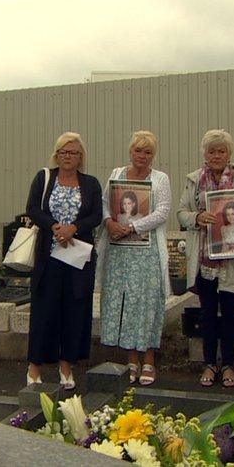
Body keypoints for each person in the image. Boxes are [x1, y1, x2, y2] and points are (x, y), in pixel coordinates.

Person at [177, 129, 234, 388]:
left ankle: (229, 365)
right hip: (204, 258)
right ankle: (209, 363)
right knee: (208, 313)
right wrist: (197, 218)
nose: (217, 155)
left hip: (232, 258)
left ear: (229, 153)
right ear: (205, 153)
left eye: (221, 150)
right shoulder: (193, 180)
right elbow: (181, 213)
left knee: (230, 313)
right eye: (212, 151)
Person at [25, 132, 103, 389]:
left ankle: (67, 365)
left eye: (74, 153)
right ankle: (35, 367)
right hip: (49, 257)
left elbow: (96, 216)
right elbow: (33, 209)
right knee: (44, 311)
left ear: (81, 158)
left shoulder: (90, 183)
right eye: (64, 152)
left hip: (78, 259)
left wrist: (75, 228)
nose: (68, 157)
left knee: (74, 311)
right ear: (57, 154)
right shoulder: (44, 178)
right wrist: (56, 226)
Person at [96, 131, 171, 386]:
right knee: (126, 304)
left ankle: (148, 359)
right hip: (119, 254)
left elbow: (162, 211)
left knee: (147, 303)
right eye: (138, 151)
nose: (143, 156)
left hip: (146, 252)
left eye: (148, 152)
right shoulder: (117, 175)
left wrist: (132, 227)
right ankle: (131, 359)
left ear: (153, 155)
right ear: (131, 151)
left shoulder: (160, 179)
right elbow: (105, 202)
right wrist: (108, 222)